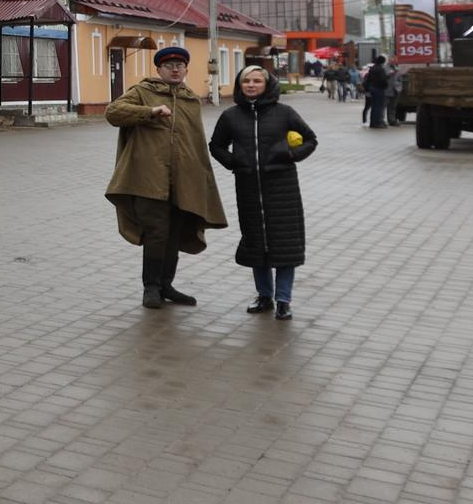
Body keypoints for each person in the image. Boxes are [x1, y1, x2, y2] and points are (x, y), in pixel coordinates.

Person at [104, 44, 227, 309]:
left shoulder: (190, 99)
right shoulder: (142, 92)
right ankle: (151, 287)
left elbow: (196, 143)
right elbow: (113, 113)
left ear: (185, 69)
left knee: (175, 232)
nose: (175, 69)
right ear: (158, 69)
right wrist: (149, 112)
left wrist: (202, 179)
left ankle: (166, 285)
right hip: (148, 179)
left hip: (183, 180)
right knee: (157, 232)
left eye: (180, 66)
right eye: (169, 65)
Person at [210, 64, 317, 321]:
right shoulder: (231, 116)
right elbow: (216, 146)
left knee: (285, 244)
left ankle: (283, 299)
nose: (251, 85)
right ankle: (264, 295)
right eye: (246, 81)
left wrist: (291, 155)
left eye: (257, 81)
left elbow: (310, 139)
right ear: (239, 85)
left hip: (283, 187)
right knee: (256, 243)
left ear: (266, 84)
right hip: (247, 187)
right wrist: (234, 162)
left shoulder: (285, 113)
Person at [360, 54, 391, 128]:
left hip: (372, 88)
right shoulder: (381, 69)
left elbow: (368, 79)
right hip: (379, 89)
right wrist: (386, 85)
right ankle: (378, 122)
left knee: (374, 106)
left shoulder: (372, 68)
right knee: (379, 106)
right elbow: (382, 80)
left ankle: (373, 122)